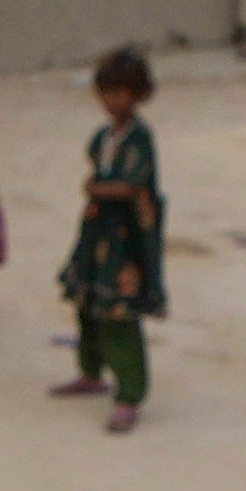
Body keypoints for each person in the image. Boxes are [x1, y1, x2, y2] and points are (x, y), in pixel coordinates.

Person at [60, 46, 169, 432]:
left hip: (123, 242)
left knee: (120, 313)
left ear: (137, 94)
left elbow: (134, 184)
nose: (112, 101)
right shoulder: (103, 136)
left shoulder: (139, 138)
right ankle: (90, 372)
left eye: (121, 93)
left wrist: (97, 188)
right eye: (107, 93)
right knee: (88, 304)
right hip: (97, 234)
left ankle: (129, 394)